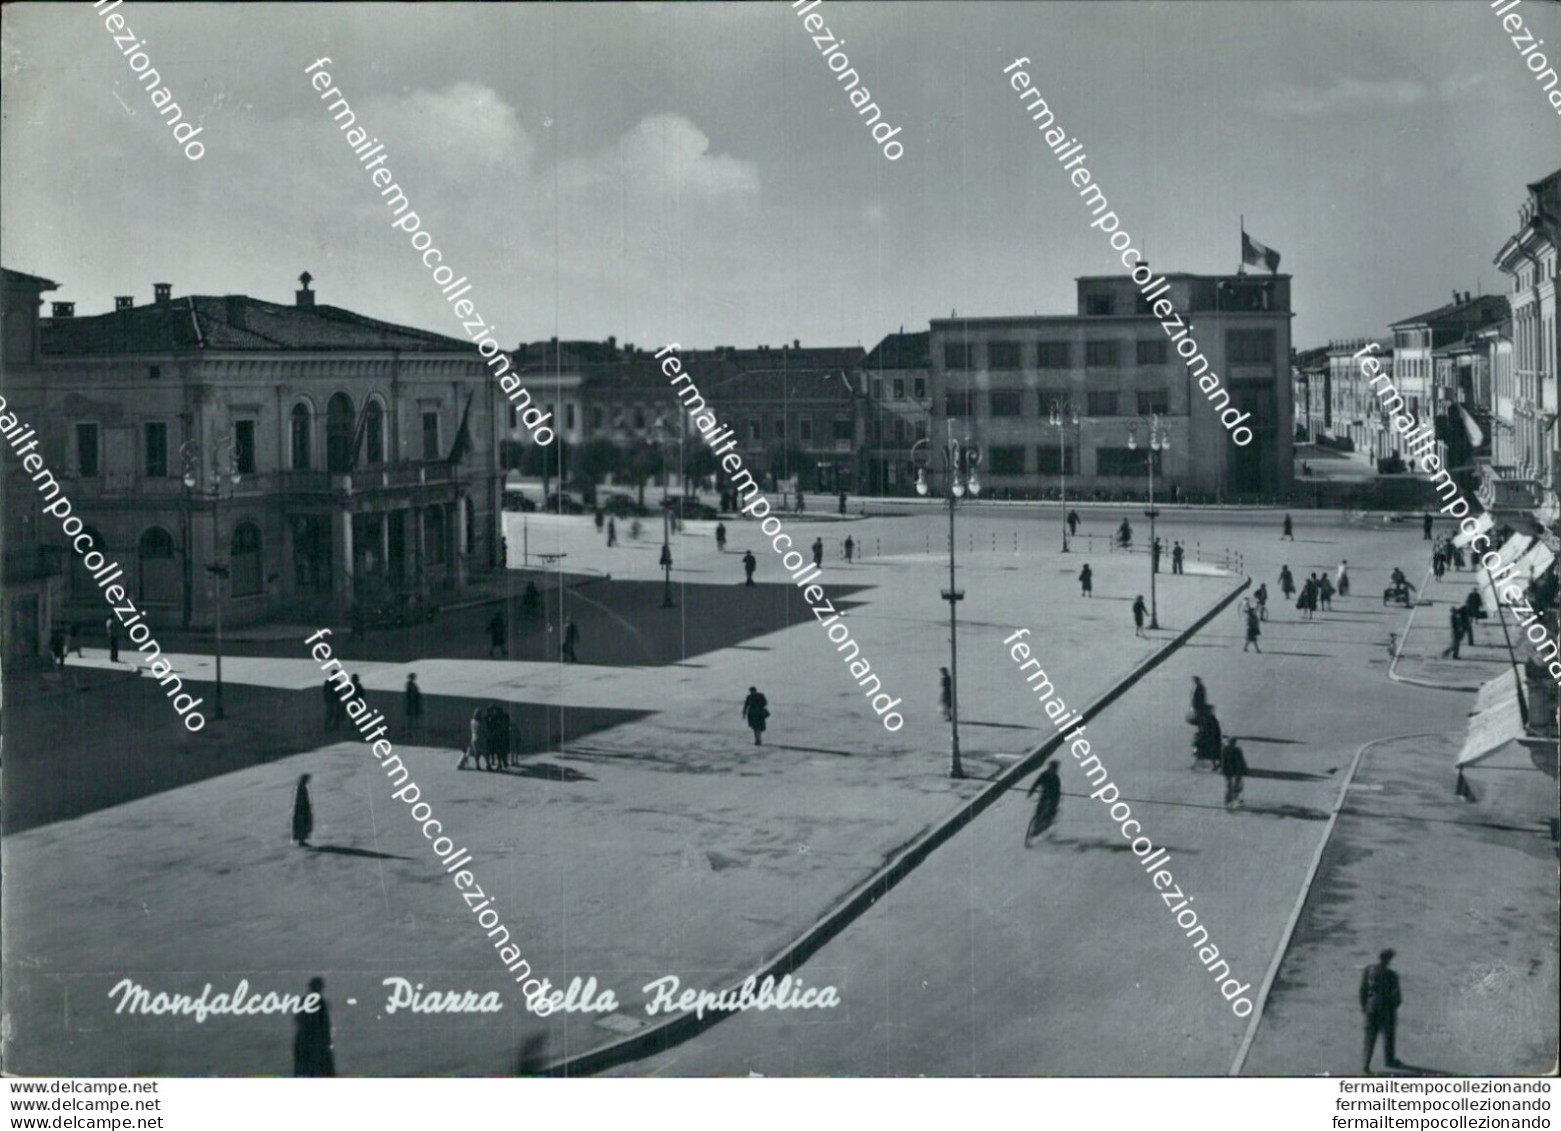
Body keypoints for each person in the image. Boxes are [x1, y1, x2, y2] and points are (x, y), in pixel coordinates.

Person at [1359, 949, 1403, 1073]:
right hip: (1386, 1010)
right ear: (1389, 960)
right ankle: (1389, 1060)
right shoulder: (1392, 975)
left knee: (1369, 1038)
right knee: (1388, 1036)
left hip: (1371, 1008)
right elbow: (1397, 997)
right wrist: (1394, 1006)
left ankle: (1366, 1065)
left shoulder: (1369, 970)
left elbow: (1363, 989)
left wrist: (1364, 1005)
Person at [293, 977, 335, 1076]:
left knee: (303, 1071)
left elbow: (298, 1020)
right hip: (317, 1043)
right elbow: (325, 1024)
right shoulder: (321, 1003)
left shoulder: (303, 1001)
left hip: (303, 1041)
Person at [1025, 760, 1062, 844]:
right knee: (1043, 812)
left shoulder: (1048, 776)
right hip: (1047, 797)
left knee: (1045, 811)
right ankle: (1038, 827)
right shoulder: (1052, 777)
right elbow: (1036, 784)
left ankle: (1040, 826)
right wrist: (1030, 792)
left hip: (1048, 797)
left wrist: (1030, 792)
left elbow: (1036, 783)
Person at [1220, 736, 1248, 809]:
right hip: (1232, 771)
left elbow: (1241, 761)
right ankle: (1230, 800)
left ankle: (1232, 800)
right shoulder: (1232, 750)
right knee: (1231, 786)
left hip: (1233, 771)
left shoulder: (1228, 750)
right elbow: (1241, 760)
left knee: (1234, 785)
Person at [291, 774, 314, 847]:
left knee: (304, 824)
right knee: (302, 824)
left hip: (302, 809)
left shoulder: (302, 787)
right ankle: (301, 841)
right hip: (301, 810)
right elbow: (301, 799)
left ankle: (302, 840)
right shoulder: (301, 787)